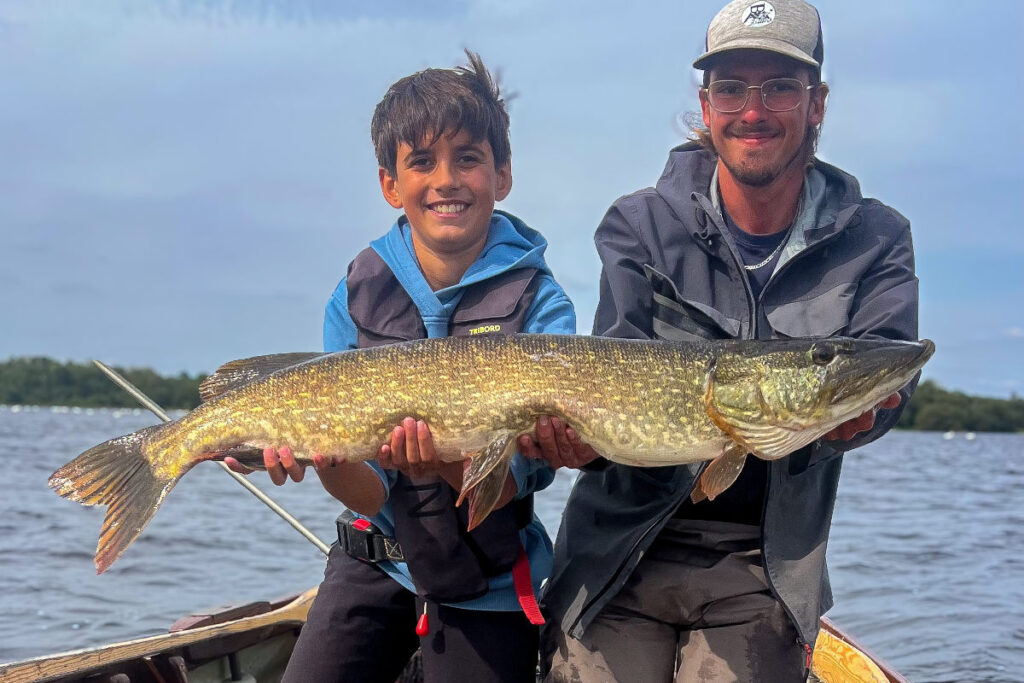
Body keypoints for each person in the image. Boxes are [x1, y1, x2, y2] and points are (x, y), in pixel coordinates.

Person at [528, 1, 920, 680]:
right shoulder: (638, 225)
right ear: (707, 106)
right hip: (620, 556)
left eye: (779, 87)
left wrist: (860, 416)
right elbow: (607, 393)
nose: (754, 110)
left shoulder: (876, 239)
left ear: (816, 103)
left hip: (762, 567)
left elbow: (887, 368)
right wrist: (573, 439)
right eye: (733, 87)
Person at [227, 51, 575, 683]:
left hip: (486, 574)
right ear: (390, 184)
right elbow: (364, 491)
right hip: (373, 563)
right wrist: (328, 459)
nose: (446, 180)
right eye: (422, 162)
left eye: (468, 158)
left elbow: (520, 474)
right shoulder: (355, 294)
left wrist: (441, 461)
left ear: (502, 176)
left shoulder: (543, 304)